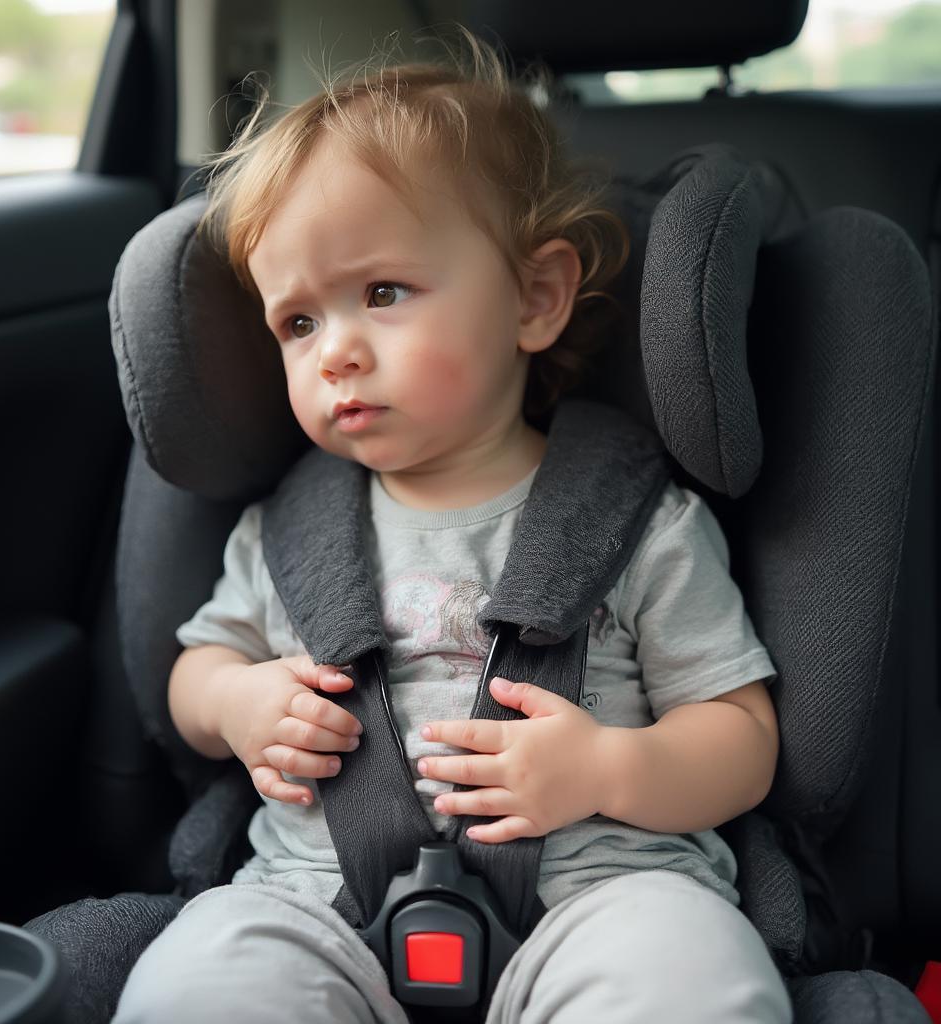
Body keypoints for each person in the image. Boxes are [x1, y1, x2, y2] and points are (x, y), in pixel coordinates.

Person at [113, 33, 792, 1024]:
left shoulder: (640, 520)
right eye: (297, 323)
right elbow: (194, 673)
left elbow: (742, 738)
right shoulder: (288, 533)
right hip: (318, 911)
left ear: (534, 297)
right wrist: (239, 702)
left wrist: (610, 765)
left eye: (382, 293)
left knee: (688, 973)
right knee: (199, 978)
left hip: (597, 900)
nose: (335, 350)